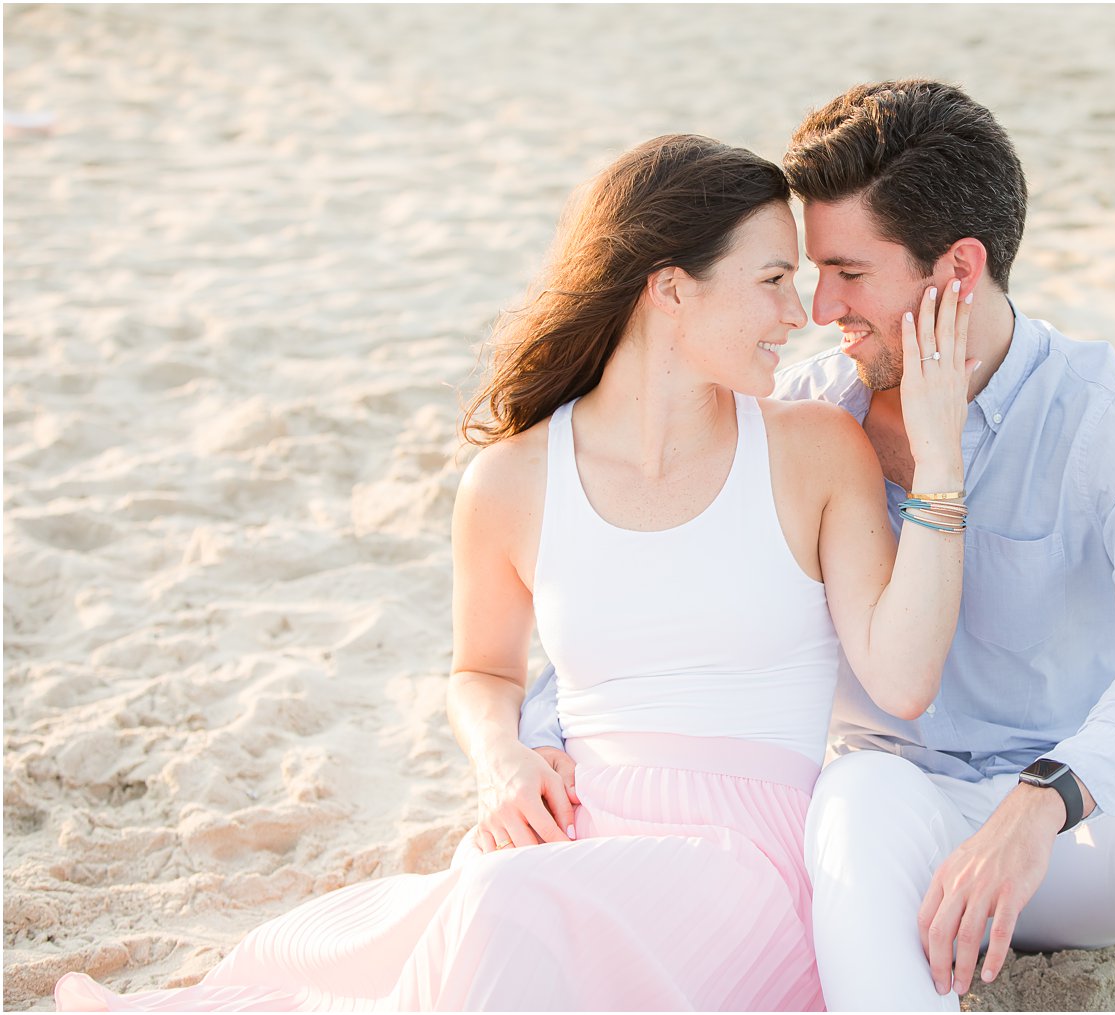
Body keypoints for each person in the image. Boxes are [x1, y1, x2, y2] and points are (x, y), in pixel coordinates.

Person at [53, 134, 977, 1011]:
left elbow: (900, 680)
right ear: (670, 290)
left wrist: (938, 466)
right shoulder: (511, 480)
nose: (800, 313)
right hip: (570, 822)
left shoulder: (814, 450)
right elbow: (481, 672)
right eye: (774, 280)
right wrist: (501, 762)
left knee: (501, 917)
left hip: (750, 857)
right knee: (473, 920)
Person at [519, 81, 1115, 1011]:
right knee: (855, 799)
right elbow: (664, 601)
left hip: (1079, 831)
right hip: (905, 820)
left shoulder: (1107, 418)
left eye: (850, 272)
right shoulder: (808, 418)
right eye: (809, 270)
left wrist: (1041, 802)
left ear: (956, 268)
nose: (821, 306)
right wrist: (535, 740)